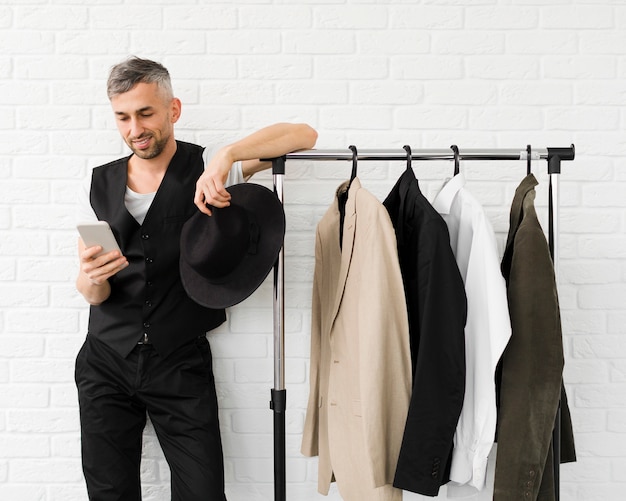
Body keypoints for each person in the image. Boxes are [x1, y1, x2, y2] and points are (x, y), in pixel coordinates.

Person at [74, 56, 317, 501]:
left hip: (179, 361)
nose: (134, 129)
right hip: (105, 360)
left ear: (173, 109)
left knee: (202, 493)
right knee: (109, 494)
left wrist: (226, 155)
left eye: (145, 113)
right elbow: (95, 291)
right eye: (122, 117)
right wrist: (90, 277)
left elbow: (304, 135)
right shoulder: (101, 182)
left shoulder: (209, 168)